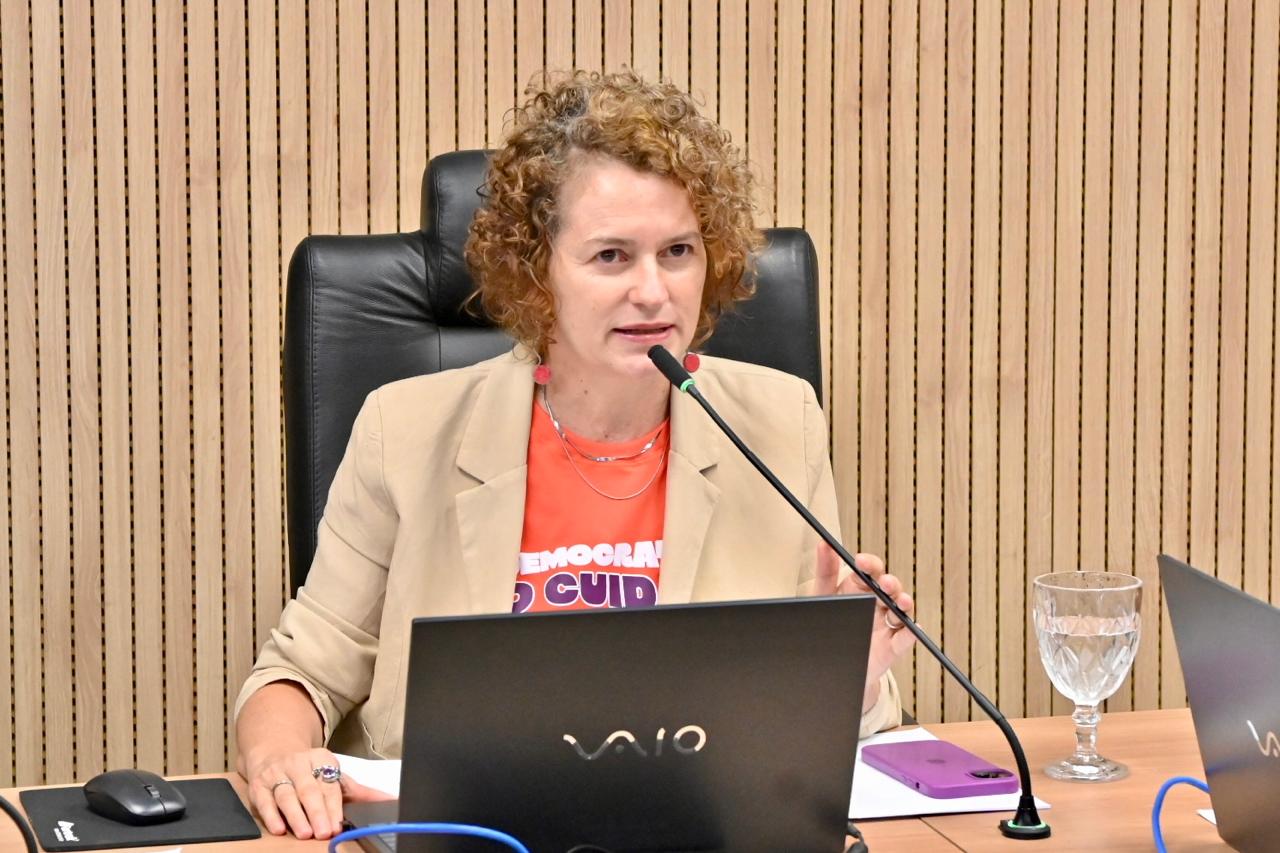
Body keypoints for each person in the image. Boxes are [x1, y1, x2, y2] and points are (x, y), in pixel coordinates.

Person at [234, 69, 917, 840]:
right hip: (465, 843)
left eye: (679, 251)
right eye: (612, 256)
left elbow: (833, 733)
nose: (654, 291)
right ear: (537, 272)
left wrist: (849, 675)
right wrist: (282, 759)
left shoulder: (776, 424)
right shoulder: (408, 432)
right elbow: (296, 675)